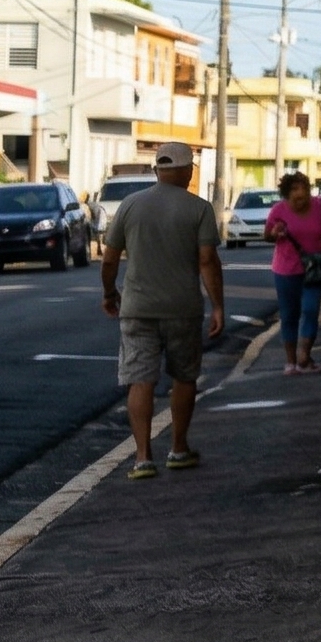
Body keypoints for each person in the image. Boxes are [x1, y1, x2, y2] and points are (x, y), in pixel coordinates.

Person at [99, 142, 225, 481]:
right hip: (183, 308)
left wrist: (110, 294)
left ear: (157, 170)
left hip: (137, 308)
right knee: (184, 376)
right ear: (187, 171)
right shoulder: (198, 208)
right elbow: (207, 261)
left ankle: (142, 458)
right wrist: (218, 306)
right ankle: (178, 449)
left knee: (140, 380)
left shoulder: (129, 205)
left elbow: (109, 259)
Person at [265, 171, 321, 374]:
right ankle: (291, 362)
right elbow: (267, 236)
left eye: (303, 187)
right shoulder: (279, 210)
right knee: (289, 315)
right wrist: (275, 233)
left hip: (314, 269)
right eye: (294, 189)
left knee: (311, 310)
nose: (300, 192)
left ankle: (304, 357)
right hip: (286, 270)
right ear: (286, 193)